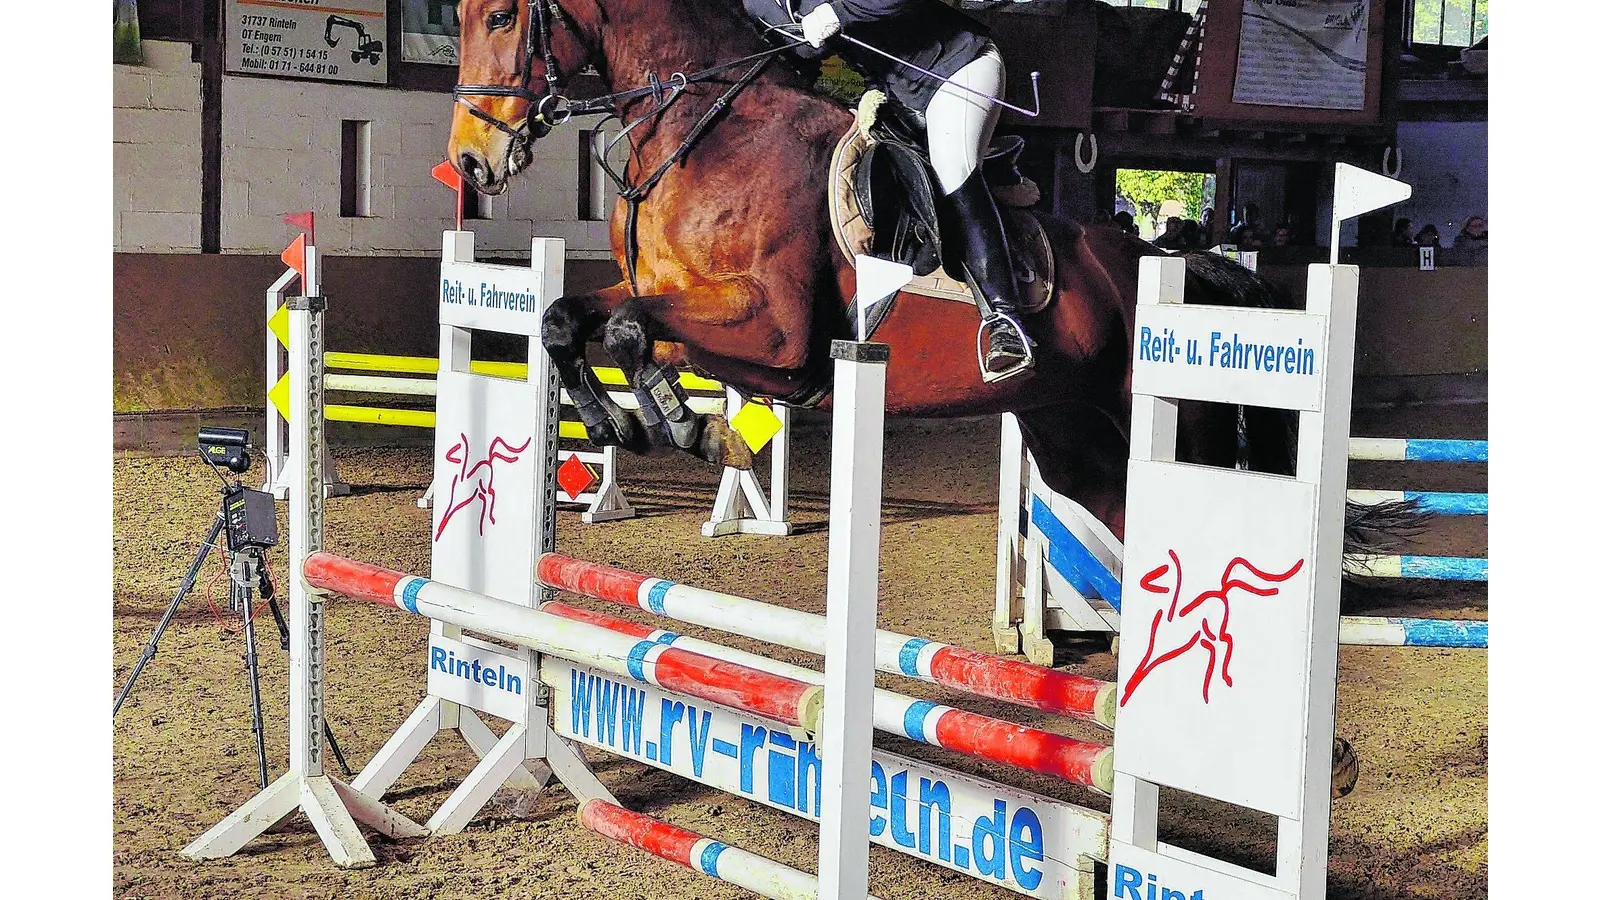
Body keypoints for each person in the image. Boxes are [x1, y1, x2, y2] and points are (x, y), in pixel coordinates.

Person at [743, 0, 1033, 381]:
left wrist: (839, 12)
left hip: (957, 68)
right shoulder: (757, 4)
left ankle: (1004, 320)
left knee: (951, 166)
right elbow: (796, 66)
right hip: (895, 96)